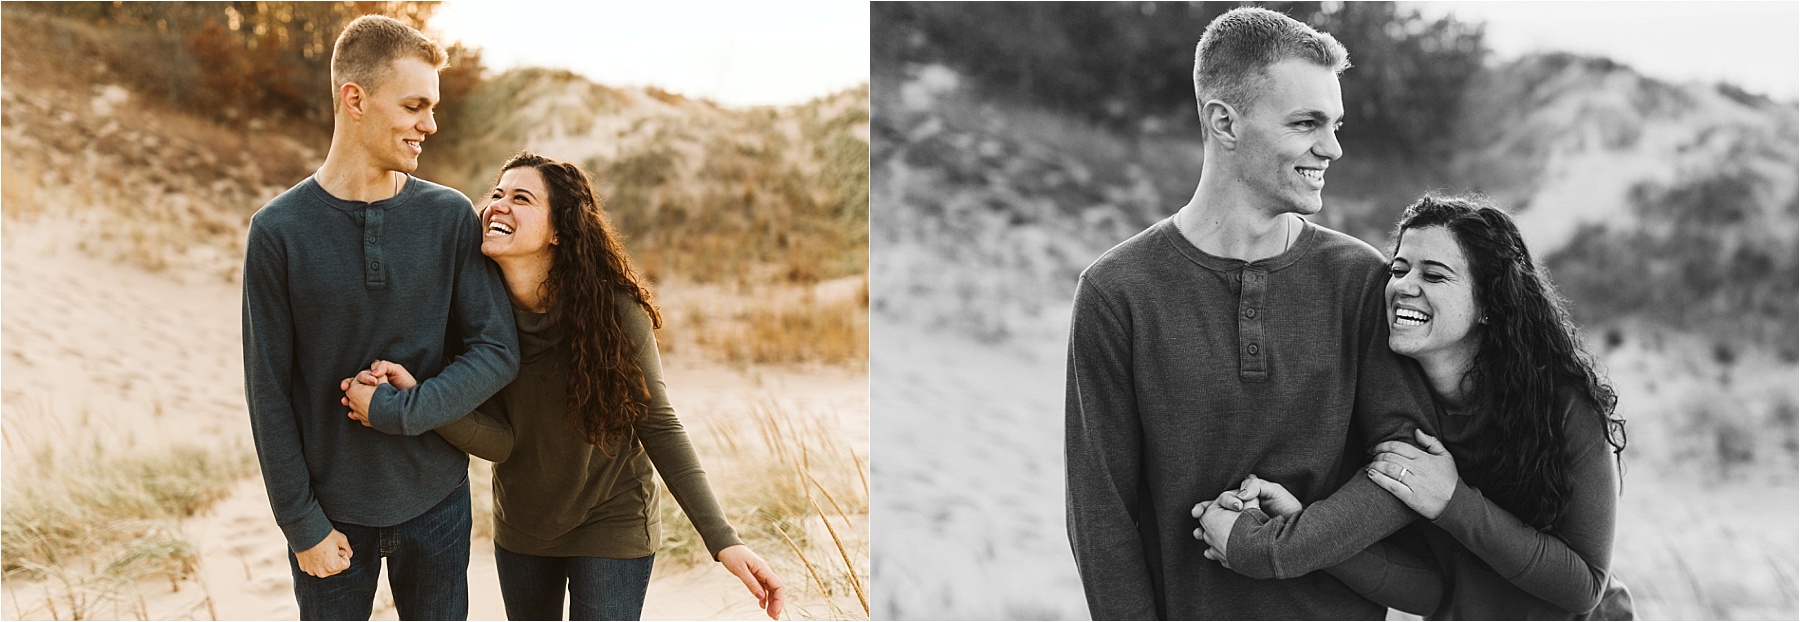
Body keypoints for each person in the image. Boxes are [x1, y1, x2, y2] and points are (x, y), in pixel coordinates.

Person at [1064, 7, 1439, 619]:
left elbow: (1408, 465)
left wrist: (1281, 549)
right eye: (1306, 123)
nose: (1333, 147)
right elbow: (1100, 516)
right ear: (1224, 122)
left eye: (1336, 123)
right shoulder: (1116, 292)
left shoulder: (1359, 278)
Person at [346, 152, 787, 621]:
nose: (498, 206)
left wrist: (724, 541)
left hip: (612, 521)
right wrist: (424, 397)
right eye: (497, 194)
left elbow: (658, 423)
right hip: (522, 527)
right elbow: (501, 442)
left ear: (559, 229)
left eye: (521, 198)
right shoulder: (478, 315)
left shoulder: (612, 309)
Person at [1204, 195, 1634, 619]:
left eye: (1434, 275)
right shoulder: (1393, 413)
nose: (1404, 286)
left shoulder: (1561, 406)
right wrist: (1308, 529)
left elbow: (1585, 588)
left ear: (1489, 304)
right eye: (1399, 269)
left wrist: (1452, 500)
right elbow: (1435, 594)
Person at [241, 14, 520, 620]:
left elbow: (497, 349)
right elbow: (268, 391)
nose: (430, 124)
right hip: (329, 514)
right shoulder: (278, 232)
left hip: (438, 503)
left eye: (433, 106)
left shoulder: (449, 218)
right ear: (355, 99)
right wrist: (300, 524)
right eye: (415, 105)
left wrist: (404, 411)